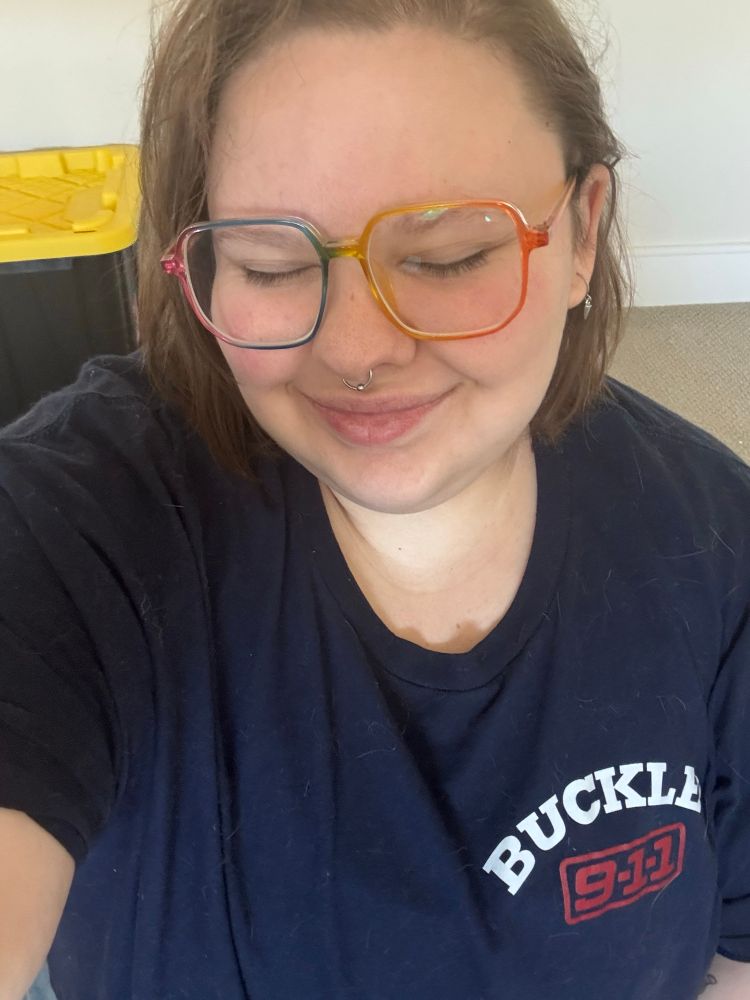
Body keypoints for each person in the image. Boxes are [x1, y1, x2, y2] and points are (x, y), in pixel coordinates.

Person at [2, 1, 749, 998]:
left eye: (450, 257)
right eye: (271, 262)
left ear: (582, 232)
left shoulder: (718, 541)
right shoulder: (82, 523)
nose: (357, 351)